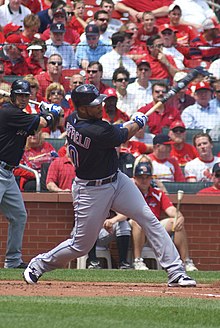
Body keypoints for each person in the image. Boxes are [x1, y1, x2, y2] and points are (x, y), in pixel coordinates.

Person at [23, 84, 196, 287]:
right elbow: (123, 134)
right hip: (91, 190)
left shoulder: (74, 119)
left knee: (149, 218)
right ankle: (39, 264)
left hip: (116, 179)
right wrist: (138, 121)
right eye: (94, 104)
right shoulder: (94, 129)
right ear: (82, 108)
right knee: (81, 245)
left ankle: (176, 271)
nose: (100, 106)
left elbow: (68, 116)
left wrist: (52, 110)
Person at [0, 79, 62, 268]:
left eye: (26, 96)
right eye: (19, 95)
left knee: (19, 215)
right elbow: (43, 122)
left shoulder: (20, 115)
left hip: (8, 174)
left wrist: (46, 113)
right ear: (12, 96)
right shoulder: (9, 112)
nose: (23, 99)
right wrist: (50, 112)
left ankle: (12, 261)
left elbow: (37, 125)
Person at [130, 162, 198, 271]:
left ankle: (186, 262)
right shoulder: (131, 193)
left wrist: (180, 217)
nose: (144, 180)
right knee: (138, 222)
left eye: (147, 177)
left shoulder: (158, 193)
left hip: (154, 226)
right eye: (140, 177)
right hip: (136, 227)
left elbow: (171, 210)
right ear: (134, 178)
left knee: (175, 221)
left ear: (151, 178)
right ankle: (137, 261)